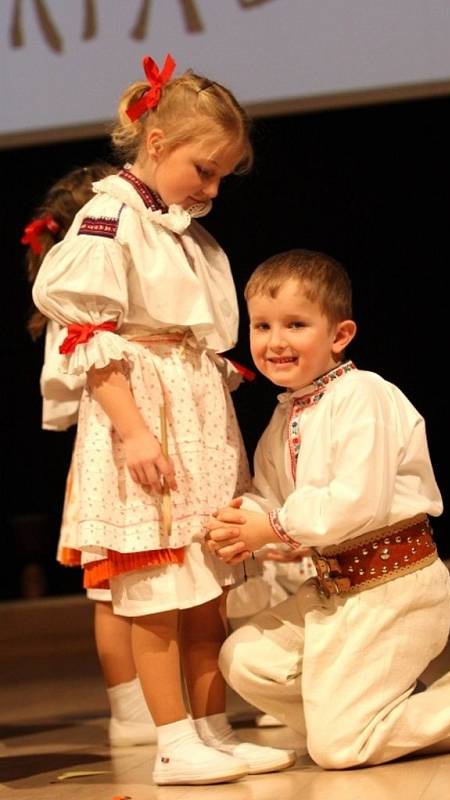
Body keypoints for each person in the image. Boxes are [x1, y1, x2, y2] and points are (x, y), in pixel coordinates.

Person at [32, 54, 295, 785]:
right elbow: (89, 332)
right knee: (152, 590)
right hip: (143, 412)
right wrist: (136, 430)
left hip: (192, 409)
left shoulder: (176, 225)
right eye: (202, 169)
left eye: (220, 176)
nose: (210, 189)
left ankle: (212, 728)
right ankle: (172, 739)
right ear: (155, 144)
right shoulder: (110, 215)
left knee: (206, 581)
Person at [207, 248, 450, 770]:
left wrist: (273, 526)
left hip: (394, 589)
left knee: (338, 750)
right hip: (335, 591)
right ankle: (379, 713)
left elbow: (358, 503)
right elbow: (271, 496)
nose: (275, 341)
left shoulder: (364, 395)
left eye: (295, 324)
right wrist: (241, 520)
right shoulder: (284, 421)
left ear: (339, 335)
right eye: (262, 325)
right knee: (246, 658)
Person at [24, 162, 156, 747]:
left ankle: (147, 704)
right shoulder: (81, 305)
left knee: (143, 584)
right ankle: (129, 711)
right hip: (109, 445)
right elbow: (62, 390)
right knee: (111, 586)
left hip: (121, 439)